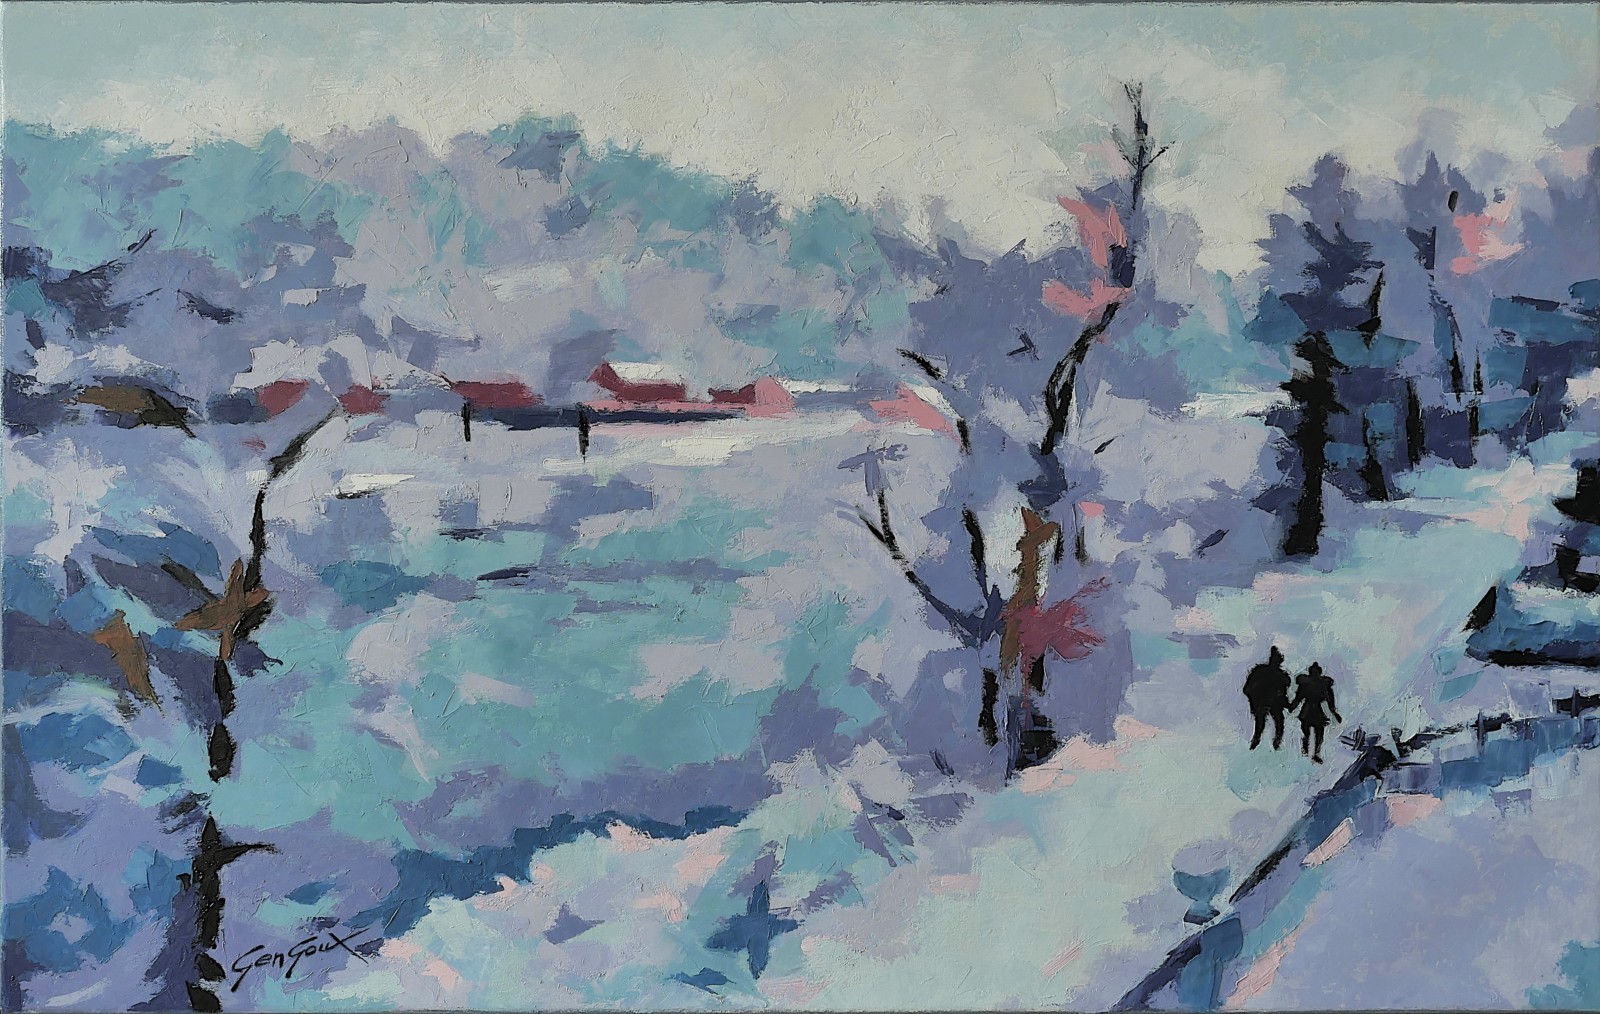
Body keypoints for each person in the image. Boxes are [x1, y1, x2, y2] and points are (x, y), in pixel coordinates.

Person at [1289, 662, 1342, 763]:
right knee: (1308, 731)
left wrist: (1334, 712)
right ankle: (1307, 748)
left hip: (1315, 710)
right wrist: (1293, 706)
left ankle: (1315, 752)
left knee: (1319, 733)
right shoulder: (1307, 684)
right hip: (1308, 710)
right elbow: (1299, 697)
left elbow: (1330, 699)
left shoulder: (1323, 684)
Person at [1242, 646, 1292, 750]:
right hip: (1262, 703)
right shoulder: (1261, 671)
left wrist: (1286, 703)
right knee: (1261, 727)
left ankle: (1275, 746)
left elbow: (1283, 694)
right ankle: (1255, 746)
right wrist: (1255, 699)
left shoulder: (1282, 676)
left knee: (1278, 725)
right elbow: (1247, 689)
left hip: (1273, 704)